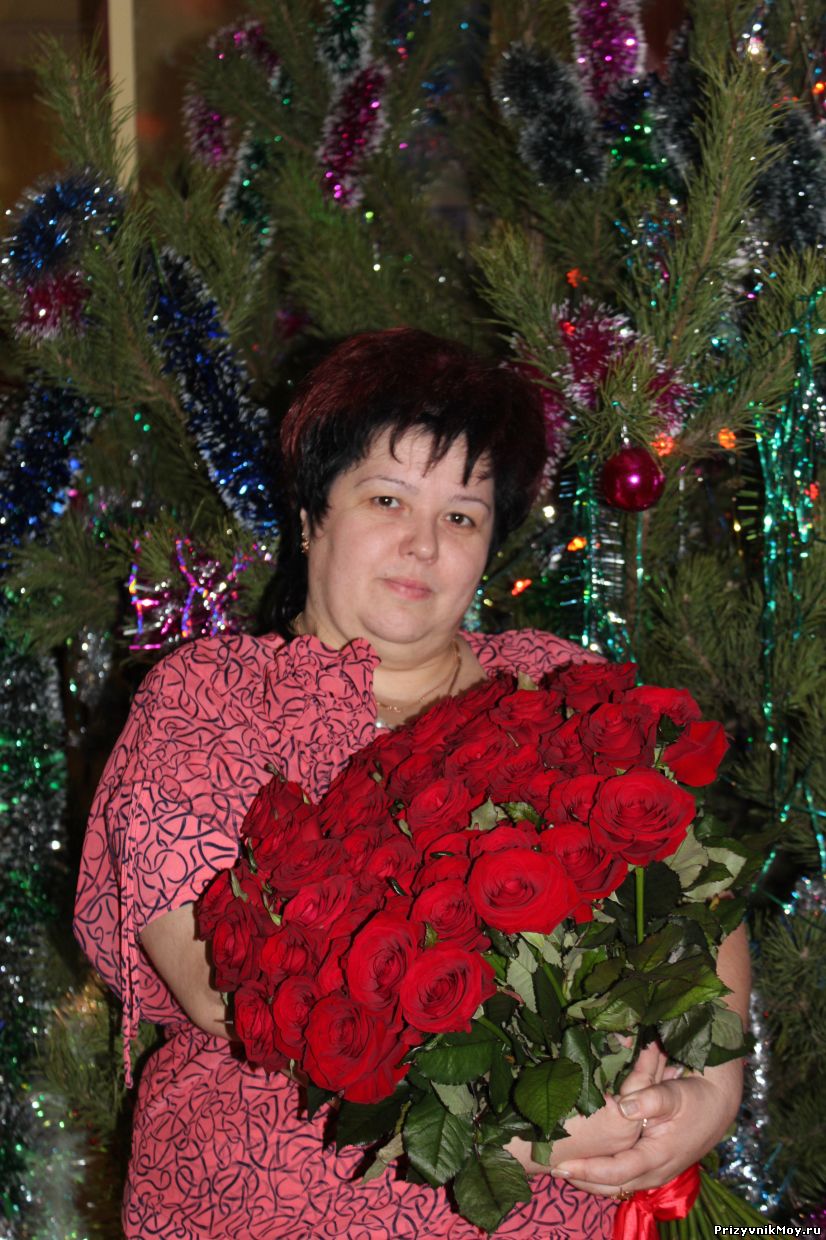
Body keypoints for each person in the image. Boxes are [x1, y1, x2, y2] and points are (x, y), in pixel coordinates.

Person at [74, 328, 749, 1240]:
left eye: (462, 517)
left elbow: (696, 888)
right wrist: (518, 1112)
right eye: (387, 498)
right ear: (311, 515)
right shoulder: (210, 699)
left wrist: (712, 1087)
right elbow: (219, 988)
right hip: (263, 1203)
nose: (423, 544)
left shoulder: (557, 684)